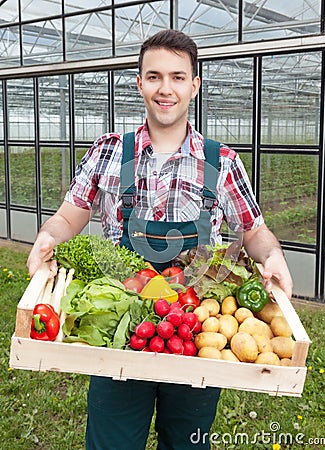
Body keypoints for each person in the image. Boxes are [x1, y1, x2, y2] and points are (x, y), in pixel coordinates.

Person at [27, 29, 293, 449]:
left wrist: (273, 257)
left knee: (187, 443)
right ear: (139, 83)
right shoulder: (109, 151)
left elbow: (254, 231)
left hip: (195, 329)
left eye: (177, 77)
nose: (165, 89)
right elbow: (69, 215)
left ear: (194, 85)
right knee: (112, 442)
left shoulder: (222, 162)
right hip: (119, 333)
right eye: (153, 77)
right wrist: (47, 236)